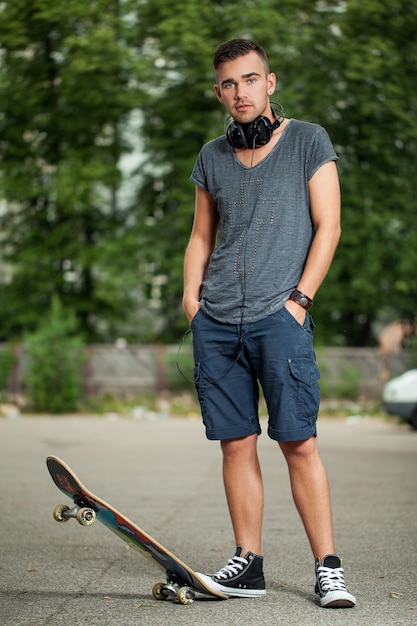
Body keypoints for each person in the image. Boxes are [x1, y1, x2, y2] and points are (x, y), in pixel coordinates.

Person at [182, 38, 356, 609]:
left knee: (298, 444)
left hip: (280, 317)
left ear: (271, 82)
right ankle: (248, 564)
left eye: (250, 80)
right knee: (236, 445)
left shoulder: (308, 140)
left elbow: (328, 226)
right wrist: (192, 302)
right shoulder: (211, 155)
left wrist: (300, 301)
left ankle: (328, 568)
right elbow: (201, 235)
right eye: (229, 84)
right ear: (219, 92)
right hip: (218, 320)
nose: (240, 92)